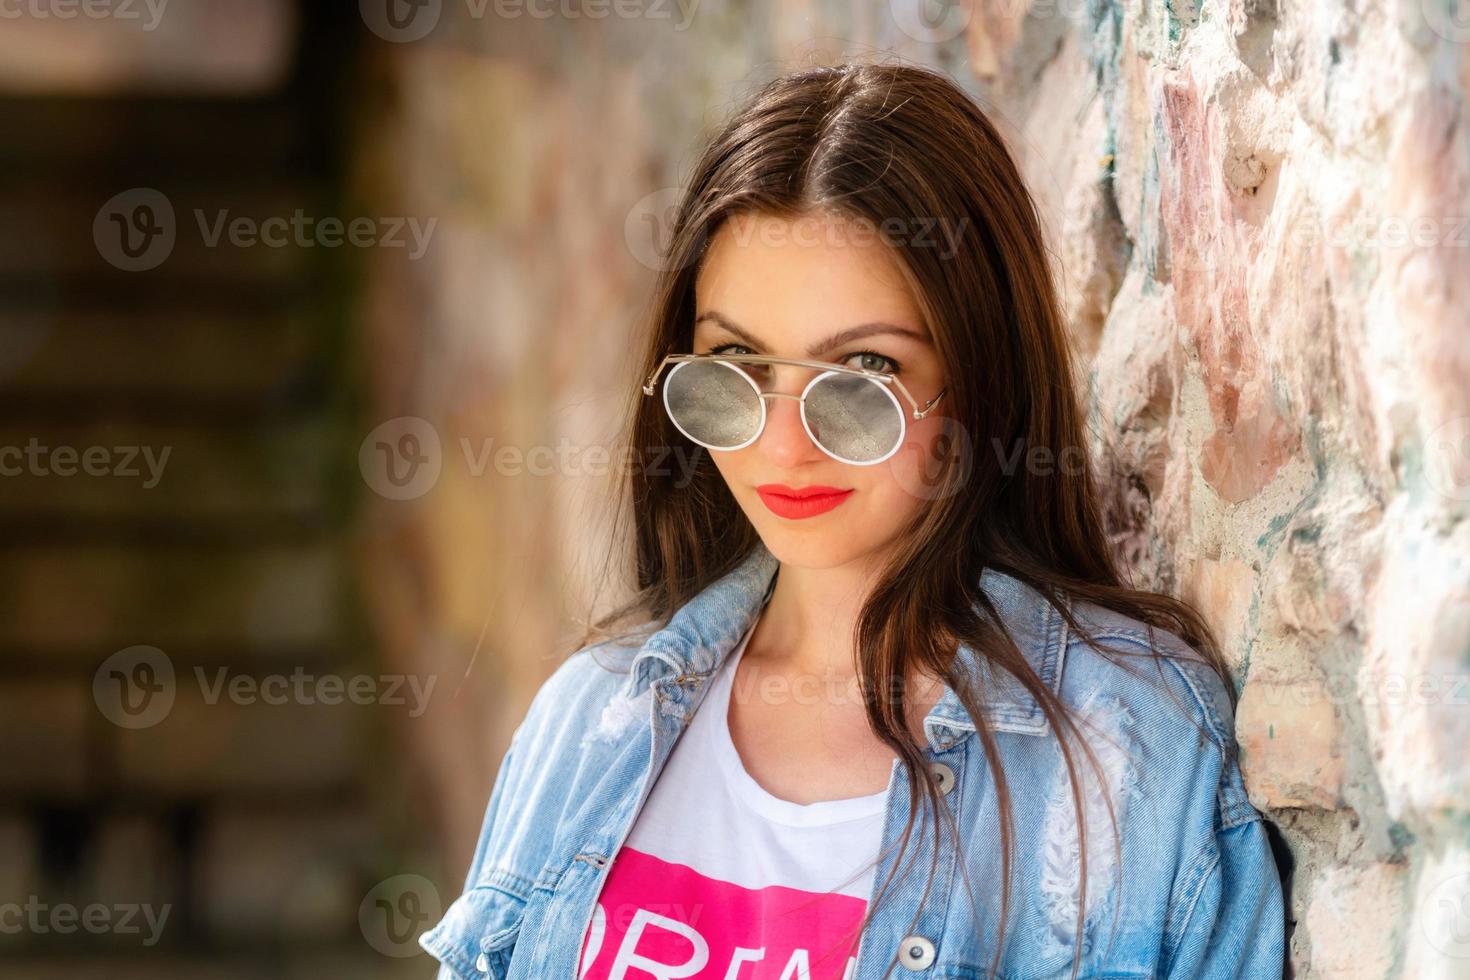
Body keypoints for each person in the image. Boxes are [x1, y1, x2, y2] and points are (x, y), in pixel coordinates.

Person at [419, 62, 1285, 980]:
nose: (784, 446)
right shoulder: (590, 720)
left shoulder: (1132, 755)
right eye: (735, 364)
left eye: (865, 374)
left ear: (981, 381)